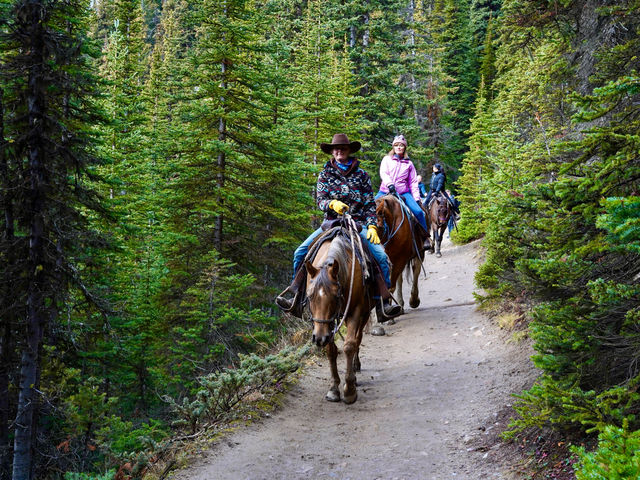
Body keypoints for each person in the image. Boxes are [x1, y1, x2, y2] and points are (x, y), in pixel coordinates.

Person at [276, 133, 401, 320]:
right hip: (331, 223)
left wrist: (372, 226)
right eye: (336, 149)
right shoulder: (325, 174)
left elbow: (369, 205)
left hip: (357, 224)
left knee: (381, 256)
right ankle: (297, 297)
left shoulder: (362, 175)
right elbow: (320, 201)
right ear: (332, 151)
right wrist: (331, 204)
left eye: (342, 148)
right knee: (300, 252)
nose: (339, 151)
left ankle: (383, 303)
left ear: (349, 150)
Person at [376, 135, 430, 248]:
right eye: (396, 145)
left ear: (404, 148)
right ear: (393, 147)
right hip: (385, 190)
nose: (399, 147)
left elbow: (413, 182)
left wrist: (416, 198)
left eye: (401, 145)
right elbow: (384, 173)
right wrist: (390, 185)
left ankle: (425, 237)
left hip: (403, 192)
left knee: (419, 212)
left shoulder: (409, 164)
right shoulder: (387, 159)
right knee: (370, 209)